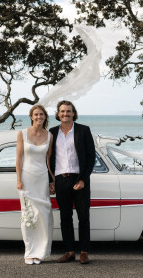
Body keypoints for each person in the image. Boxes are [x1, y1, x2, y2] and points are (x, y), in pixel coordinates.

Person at [48, 100, 96, 264]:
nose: (65, 114)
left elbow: (91, 157)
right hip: (61, 180)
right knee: (65, 217)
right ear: (58, 114)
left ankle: (84, 252)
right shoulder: (52, 132)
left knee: (83, 217)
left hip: (79, 179)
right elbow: (48, 158)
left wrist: (83, 179)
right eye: (62, 111)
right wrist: (51, 181)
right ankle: (69, 251)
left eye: (68, 111)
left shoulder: (83, 130)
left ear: (73, 113)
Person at [16, 104, 54, 265]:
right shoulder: (22, 134)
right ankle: (29, 252)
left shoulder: (50, 135)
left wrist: (52, 180)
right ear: (31, 117)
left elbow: (48, 160)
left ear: (45, 117)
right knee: (28, 216)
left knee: (43, 215)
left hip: (42, 179)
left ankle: (41, 252)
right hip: (27, 178)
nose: (39, 117)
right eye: (36, 114)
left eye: (41, 114)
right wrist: (19, 180)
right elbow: (19, 159)